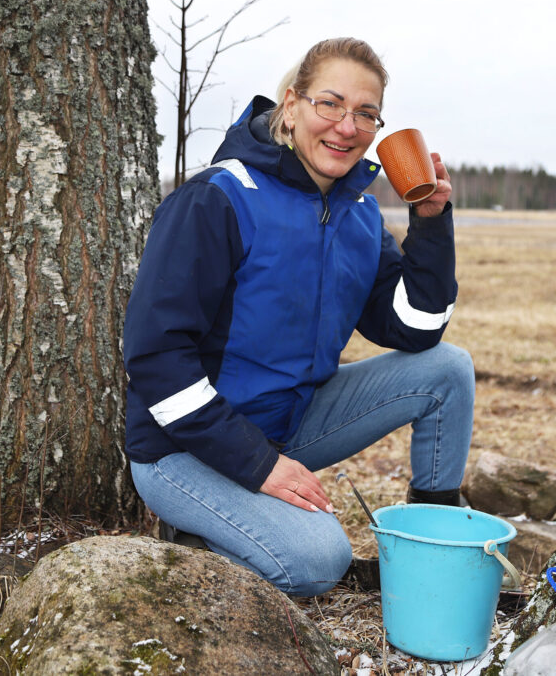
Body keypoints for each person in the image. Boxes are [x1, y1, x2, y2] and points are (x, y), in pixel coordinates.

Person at [123, 37, 474, 596]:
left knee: (447, 370)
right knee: (317, 559)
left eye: (365, 113)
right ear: (291, 106)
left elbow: (415, 328)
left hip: (291, 424)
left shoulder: (357, 215)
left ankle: (437, 539)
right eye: (329, 103)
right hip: (183, 448)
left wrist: (431, 222)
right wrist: (260, 465)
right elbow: (155, 359)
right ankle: (198, 538)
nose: (346, 125)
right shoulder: (218, 198)